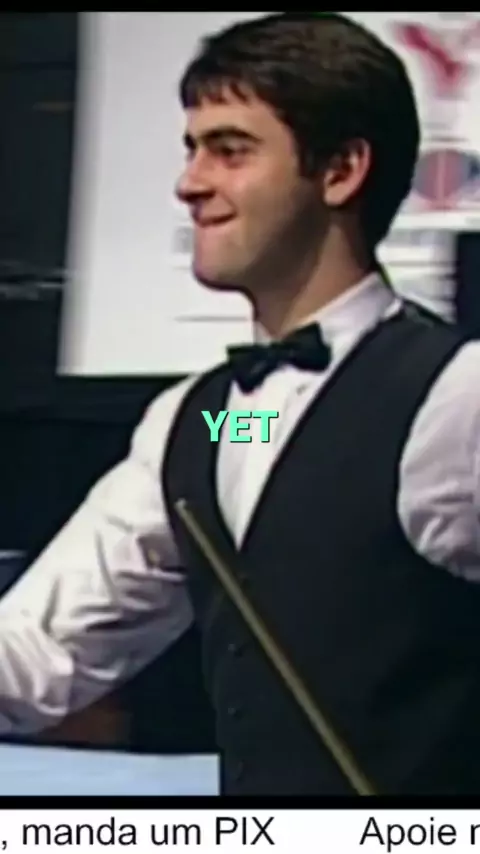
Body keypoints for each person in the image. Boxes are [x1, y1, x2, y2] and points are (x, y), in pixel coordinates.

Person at [1, 11, 480, 796]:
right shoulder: (209, 419)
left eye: (230, 150)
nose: (189, 183)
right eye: (192, 149)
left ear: (341, 170)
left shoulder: (457, 399)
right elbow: (38, 650)